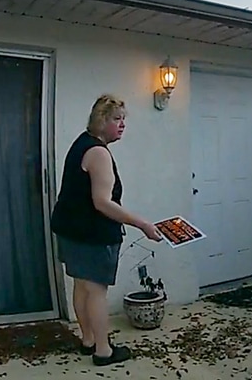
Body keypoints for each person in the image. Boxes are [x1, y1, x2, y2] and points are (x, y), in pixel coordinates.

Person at [50, 94, 164, 367]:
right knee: (96, 291)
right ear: (101, 121)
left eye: (124, 119)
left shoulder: (82, 142)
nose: (122, 125)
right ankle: (103, 351)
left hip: (70, 228)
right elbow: (102, 203)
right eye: (116, 119)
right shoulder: (99, 153)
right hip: (91, 234)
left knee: (81, 285)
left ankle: (88, 339)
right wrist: (143, 225)